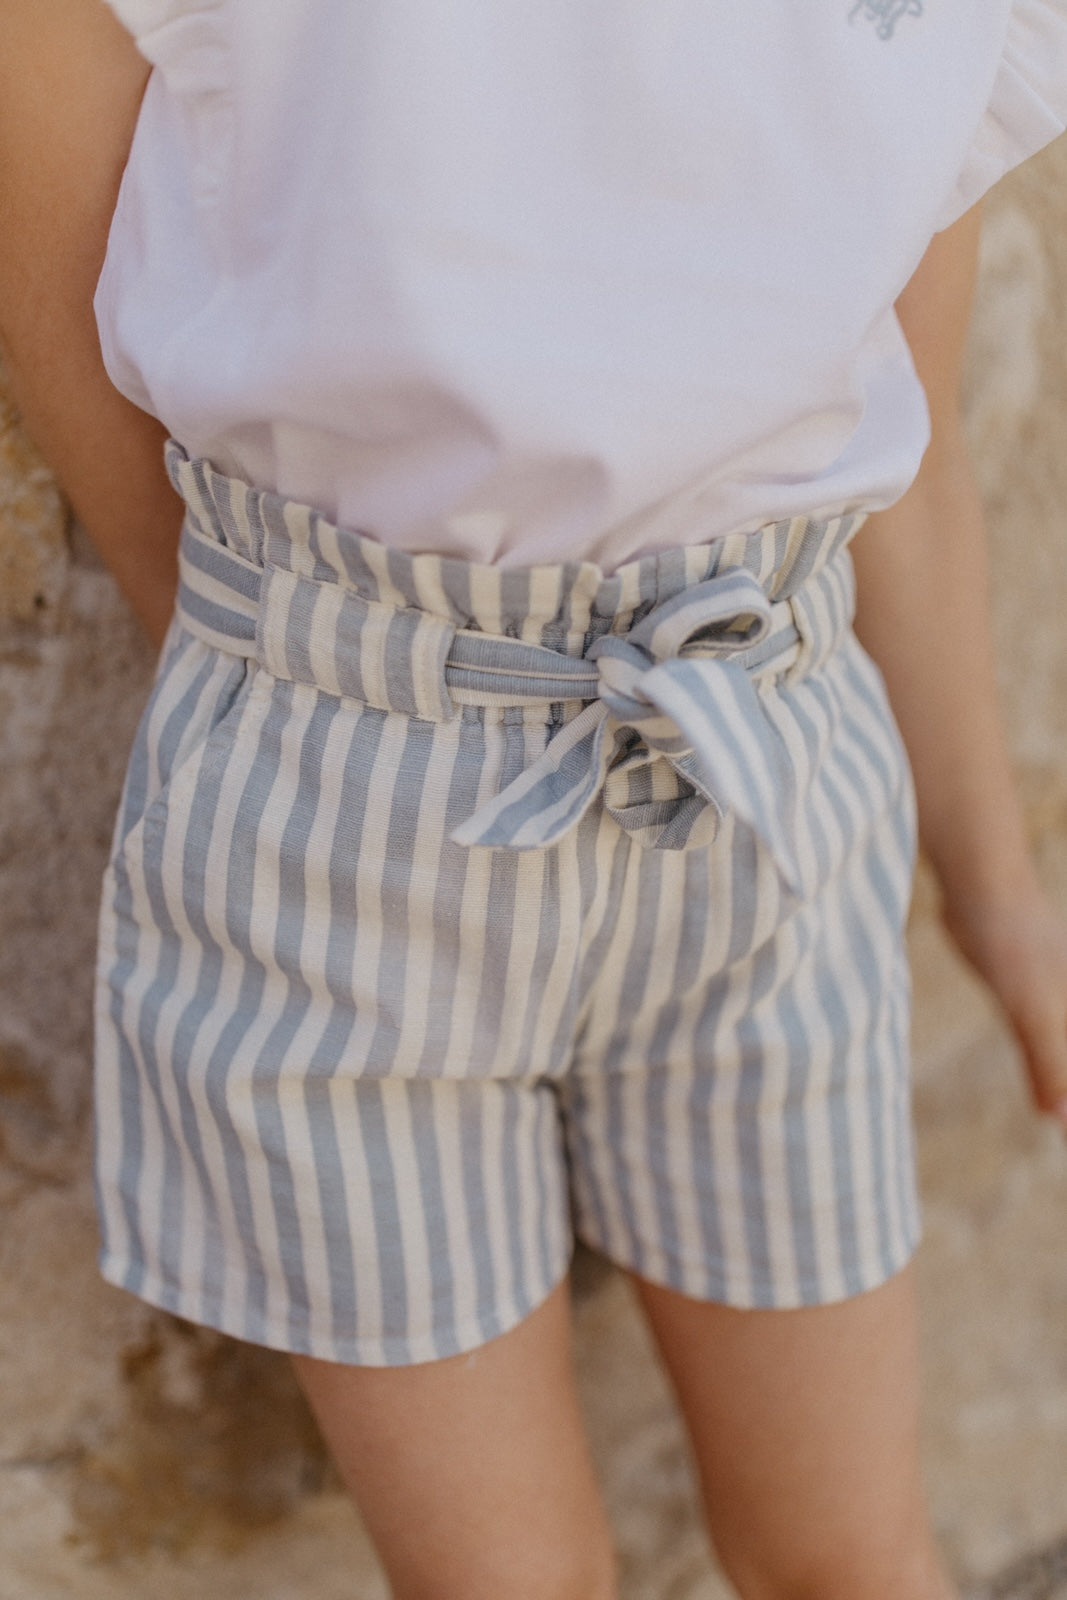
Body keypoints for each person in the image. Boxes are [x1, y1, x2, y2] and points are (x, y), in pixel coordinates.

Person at [2, 2, 1067, 1596]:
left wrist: (998, 889)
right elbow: (63, 286)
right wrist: (293, 693)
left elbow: (891, 434)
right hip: (341, 828)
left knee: (852, 1560)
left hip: (761, 766)